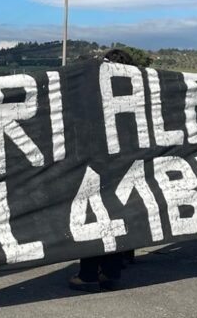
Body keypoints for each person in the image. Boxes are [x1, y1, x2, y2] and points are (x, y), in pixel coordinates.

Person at [68, 49, 135, 292]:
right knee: (117, 212)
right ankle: (111, 272)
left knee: (93, 215)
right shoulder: (137, 92)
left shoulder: (92, 95)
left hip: (96, 162)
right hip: (125, 163)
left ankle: (88, 274)